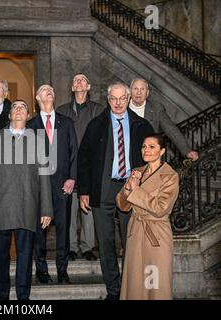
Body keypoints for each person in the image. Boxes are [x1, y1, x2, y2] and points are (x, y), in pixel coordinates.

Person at [77, 81, 154, 300]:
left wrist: (144, 183)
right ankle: (114, 289)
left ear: (129, 99)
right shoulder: (96, 125)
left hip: (131, 191)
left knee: (132, 242)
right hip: (103, 189)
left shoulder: (142, 125)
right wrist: (84, 191)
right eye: (114, 98)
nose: (118, 103)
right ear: (108, 99)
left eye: (122, 98)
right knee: (106, 243)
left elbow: (153, 158)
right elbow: (84, 159)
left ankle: (131, 287)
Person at [0, 100, 53, 300]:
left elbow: (45, 177)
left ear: (29, 115)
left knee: (25, 257)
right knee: (0, 257)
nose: (19, 109)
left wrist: (46, 209)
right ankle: (2, 296)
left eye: (23, 107)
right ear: (10, 115)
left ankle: (23, 296)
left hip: (27, 205)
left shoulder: (38, 140)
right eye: (15, 107)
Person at [116, 134, 179, 300]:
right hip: (135, 232)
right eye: (144, 146)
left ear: (162, 151)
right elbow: (122, 206)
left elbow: (161, 208)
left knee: (155, 283)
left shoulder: (170, 176)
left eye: (152, 147)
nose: (146, 150)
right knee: (135, 283)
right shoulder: (138, 172)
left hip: (156, 235)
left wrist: (136, 191)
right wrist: (128, 188)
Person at [29, 84, 78, 284]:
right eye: (44, 90)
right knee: (39, 231)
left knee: (63, 230)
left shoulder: (66, 122)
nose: (49, 91)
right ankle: (41, 269)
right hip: (38, 187)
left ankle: (62, 270)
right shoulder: (31, 125)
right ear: (37, 97)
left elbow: (74, 151)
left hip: (62, 186)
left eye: (52, 89)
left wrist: (72, 178)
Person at [56, 73, 105, 261]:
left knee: (88, 210)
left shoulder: (98, 110)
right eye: (75, 80)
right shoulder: (61, 111)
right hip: (67, 167)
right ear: (72, 87)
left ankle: (87, 247)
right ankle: (71, 247)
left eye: (83, 79)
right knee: (69, 209)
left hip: (89, 167)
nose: (78, 82)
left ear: (88, 86)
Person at [129, 78, 198, 161]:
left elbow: (171, 130)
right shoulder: (120, 107)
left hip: (148, 157)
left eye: (142, 89)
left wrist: (187, 150)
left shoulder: (156, 108)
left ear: (147, 93)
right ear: (130, 92)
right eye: (135, 89)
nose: (139, 92)